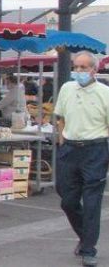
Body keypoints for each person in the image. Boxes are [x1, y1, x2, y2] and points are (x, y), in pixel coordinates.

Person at [55, 52, 109, 266]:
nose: (78, 71)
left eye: (83, 68)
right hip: (69, 149)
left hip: (95, 149)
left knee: (92, 201)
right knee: (67, 200)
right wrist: (62, 141)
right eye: (76, 67)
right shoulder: (67, 88)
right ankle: (85, 236)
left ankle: (88, 249)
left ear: (94, 70)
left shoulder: (105, 93)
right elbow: (61, 118)